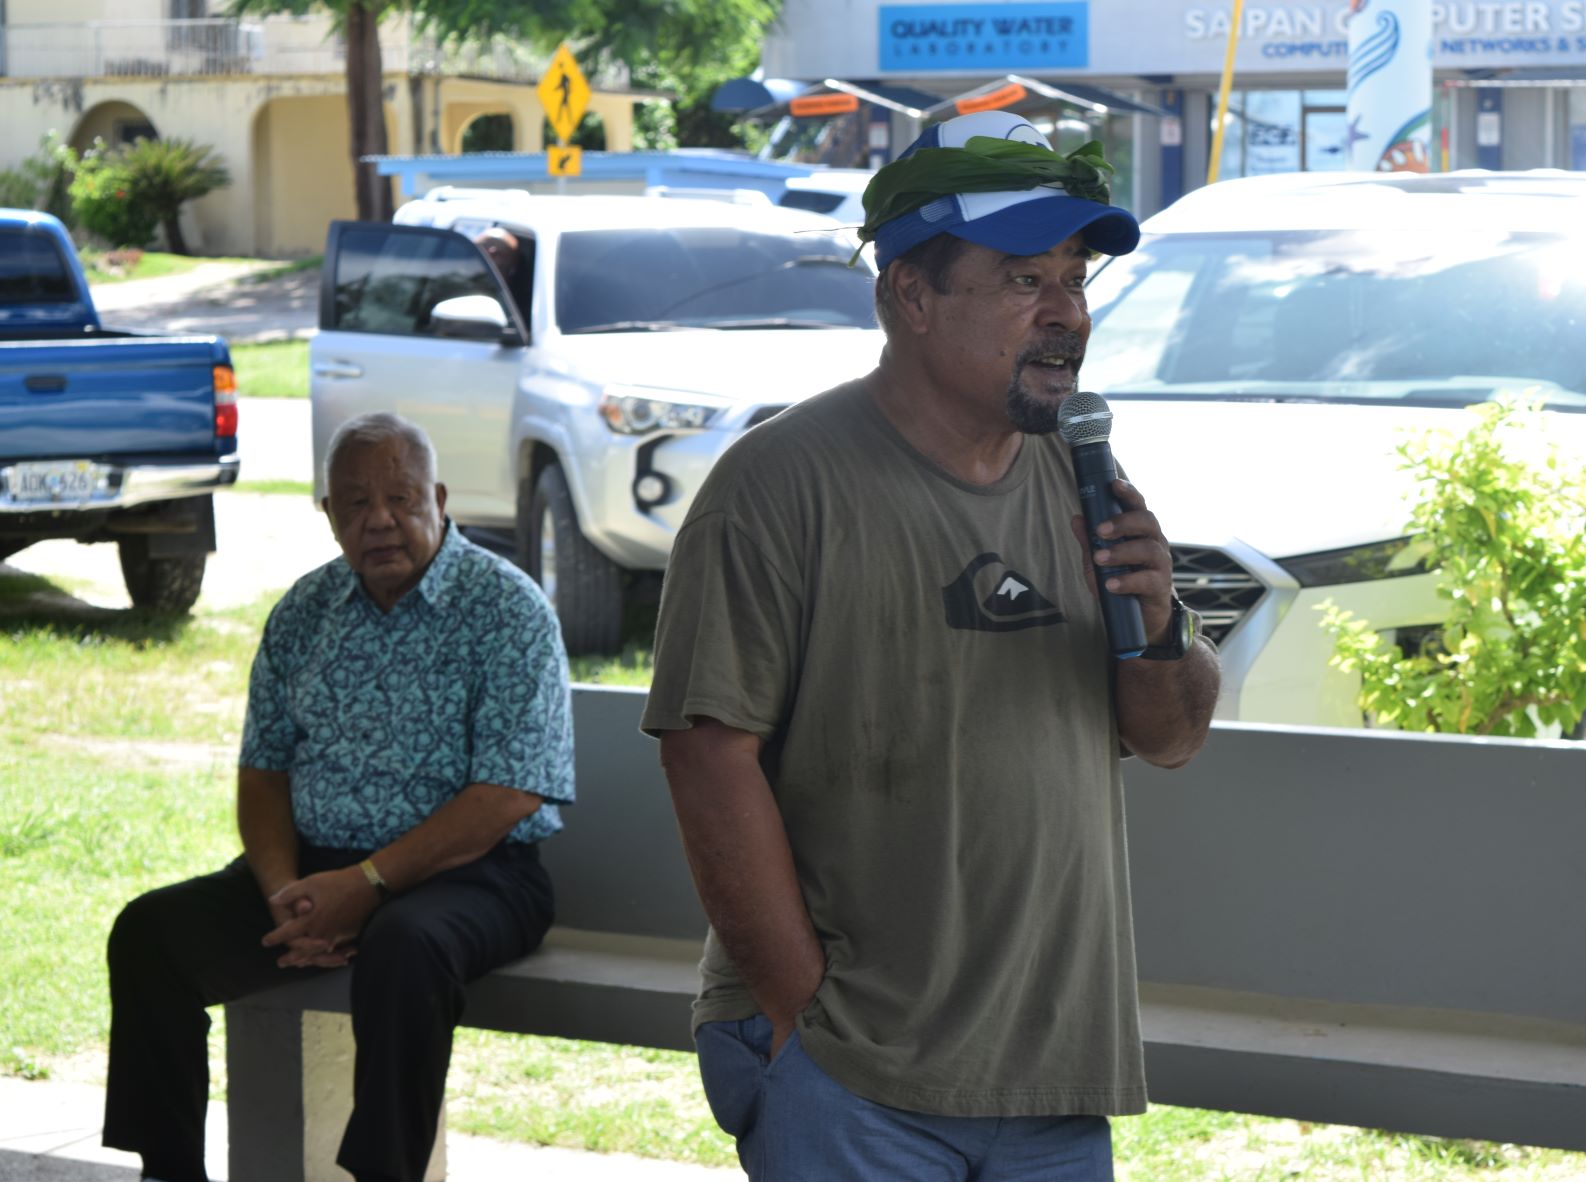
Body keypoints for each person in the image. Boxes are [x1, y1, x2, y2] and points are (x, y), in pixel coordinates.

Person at [643, 110, 1222, 1180]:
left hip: (1054, 1069)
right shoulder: (777, 487)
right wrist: (798, 1015)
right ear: (910, 294)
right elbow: (705, 756)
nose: (1066, 318)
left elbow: (1171, 737)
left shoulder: (1083, 478)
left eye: (1075, 281)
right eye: (1022, 282)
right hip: (856, 1068)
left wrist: (1158, 619)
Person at [103, 412, 574, 1182]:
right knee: (152, 934)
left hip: (479, 875)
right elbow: (264, 773)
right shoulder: (304, 611)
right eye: (354, 503)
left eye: (400, 497)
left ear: (441, 498)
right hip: (317, 871)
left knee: (406, 946)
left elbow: (507, 795)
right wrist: (288, 894)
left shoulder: (506, 609)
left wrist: (366, 886)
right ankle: (169, 1170)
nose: (379, 519)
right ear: (327, 515)